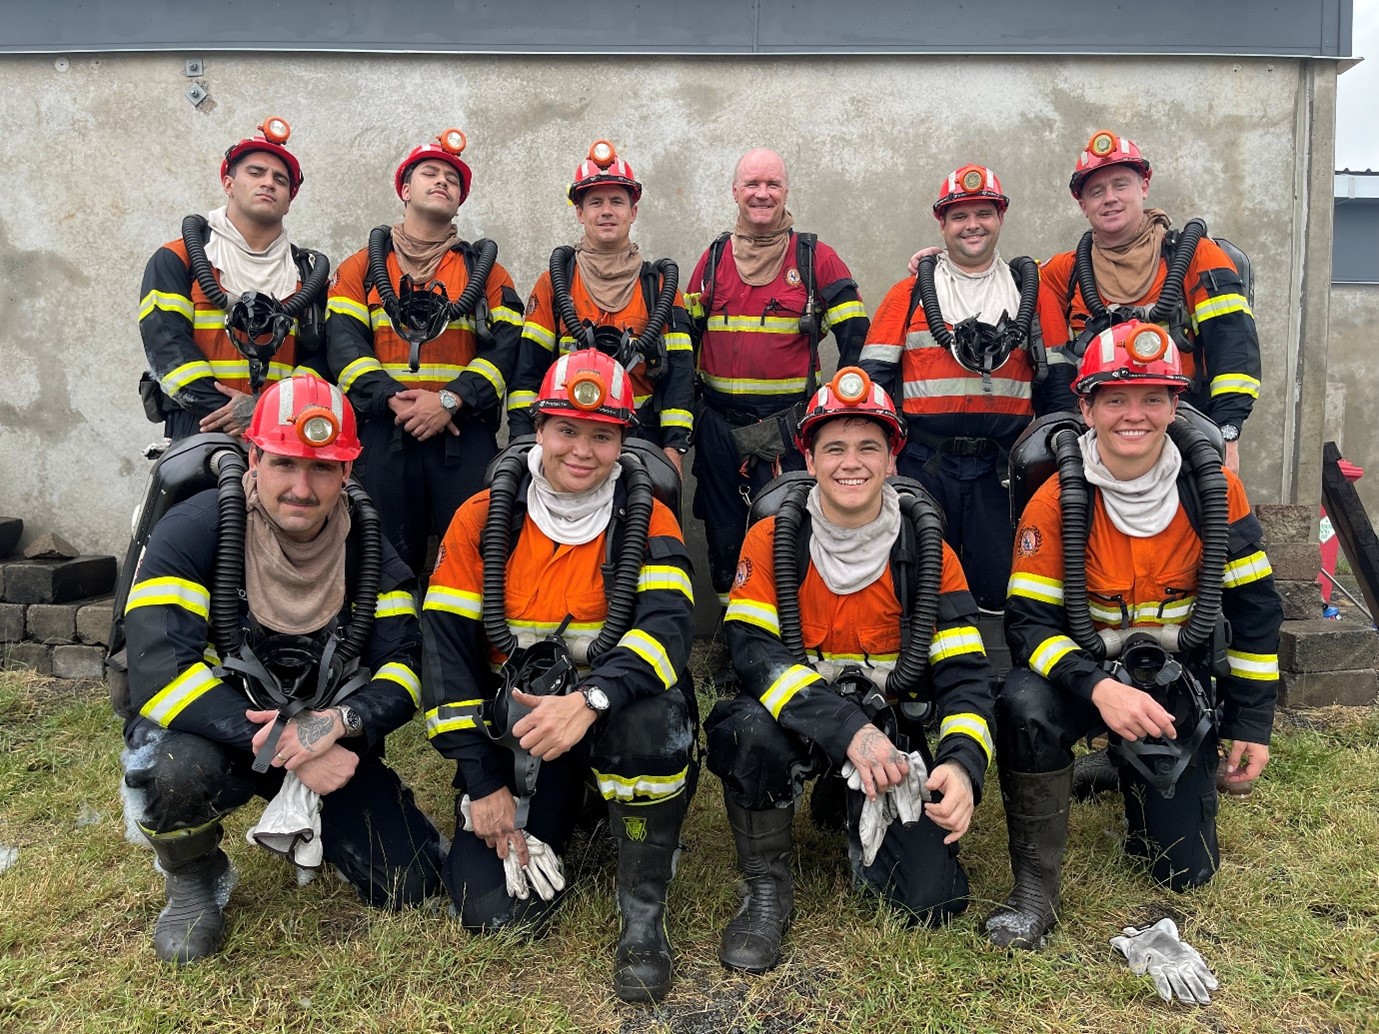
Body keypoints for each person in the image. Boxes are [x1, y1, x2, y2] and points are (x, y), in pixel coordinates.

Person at [120, 373, 443, 964]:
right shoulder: (193, 532)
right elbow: (160, 672)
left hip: (323, 735)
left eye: (323, 468)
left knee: (412, 883)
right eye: (284, 463)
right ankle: (192, 877)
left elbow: (405, 668)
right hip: (220, 735)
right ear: (254, 456)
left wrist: (324, 731)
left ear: (348, 471)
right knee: (166, 770)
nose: (302, 486)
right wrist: (282, 743)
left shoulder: (369, 545)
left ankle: (335, 822)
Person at [987, 320, 1281, 951]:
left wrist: (1251, 725)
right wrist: (1098, 690)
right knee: (1022, 703)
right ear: (1086, 407)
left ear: (1176, 406)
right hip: (1085, 681)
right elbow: (1028, 626)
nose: (1134, 415)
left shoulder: (1215, 491)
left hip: (1175, 683)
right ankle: (1035, 887)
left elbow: (1256, 610)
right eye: (1115, 399)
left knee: (1182, 873)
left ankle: (1119, 769)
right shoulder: (1054, 500)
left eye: (1153, 397)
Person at [422, 350, 696, 1004]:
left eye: (601, 435)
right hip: (517, 739)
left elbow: (667, 629)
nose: (582, 449)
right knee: (492, 911)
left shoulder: (647, 516)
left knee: (652, 722)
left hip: (600, 719)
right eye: (566, 429)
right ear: (537, 429)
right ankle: (570, 806)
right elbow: (444, 655)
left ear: (622, 442)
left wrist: (592, 698)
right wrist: (484, 785)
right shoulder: (480, 518)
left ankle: (642, 910)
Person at [704, 367, 997, 973]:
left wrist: (964, 766)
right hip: (803, 725)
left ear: (893, 459)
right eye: (833, 446)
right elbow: (755, 654)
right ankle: (766, 890)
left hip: (891, 733)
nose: (851, 462)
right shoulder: (770, 540)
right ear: (807, 458)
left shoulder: (927, 549)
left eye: (869, 446)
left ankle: (848, 805)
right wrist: (845, 730)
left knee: (932, 902)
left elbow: (965, 676)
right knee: (744, 727)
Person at [859, 164, 1062, 609]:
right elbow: (873, 386)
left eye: (983, 213)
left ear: (1001, 217)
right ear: (942, 223)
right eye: (959, 215)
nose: (972, 225)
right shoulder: (908, 293)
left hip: (1002, 473)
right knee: (919, 579)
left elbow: (1059, 391)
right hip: (923, 465)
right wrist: (883, 456)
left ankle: (995, 670)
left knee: (1002, 586)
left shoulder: (1033, 294)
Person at [326, 128, 524, 576]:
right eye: (429, 173)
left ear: (461, 200)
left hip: (462, 435)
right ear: (404, 189)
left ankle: (464, 647)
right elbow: (343, 347)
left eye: (452, 179)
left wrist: (450, 400)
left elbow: (506, 352)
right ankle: (390, 645)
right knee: (381, 559)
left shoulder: (487, 272)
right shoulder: (360, 268)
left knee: (474, 558)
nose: (442, 182)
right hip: (382, 434)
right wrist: (392, 397)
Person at [685, 147, 870, 610]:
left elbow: (858, 339)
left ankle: (789, 633)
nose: (762, 194)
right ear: (735, 192)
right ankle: (735, 638)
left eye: (772, 184)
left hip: (789, 434)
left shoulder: (815, 259)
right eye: (752, 185)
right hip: (718, 431)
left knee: (791, 531)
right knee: (724, 539)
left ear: (787, 191)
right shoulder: (712, 260)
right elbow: (681, 342)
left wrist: (837, 418)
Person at [1039, 130, 1261, 472]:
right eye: (1096, 191)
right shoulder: (1063, 273)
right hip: (1099, 439)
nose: (1109, 198)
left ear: (1144, 186)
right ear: (1083, 205)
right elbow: (995, 279)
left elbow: (1233, 348)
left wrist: (1226, 434)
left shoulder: (1197, 256)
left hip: (1183, 432)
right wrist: (928, 270)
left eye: (1120, 185)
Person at [506, 139, 694, 478]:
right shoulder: (554, 283)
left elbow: (680, 375)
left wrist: (672, 449)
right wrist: (524, 442)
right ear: (580, 212)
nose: (606, 211)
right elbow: (527, 374)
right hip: (571, 444)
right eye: (595, 202)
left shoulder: (661, 287)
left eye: (617, 202)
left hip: (641, 439)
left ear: (633, 211)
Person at [139, 117, 331, 441]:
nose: (268, 183)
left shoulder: (308, 277)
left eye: (280, 179)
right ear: (228, 184)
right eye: (256, 173)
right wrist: (235, 413)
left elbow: (321, 359)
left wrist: (265, 411)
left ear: (289, 200)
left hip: (283, 434)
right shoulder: (178, 259)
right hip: (201, 426)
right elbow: (168, 349)